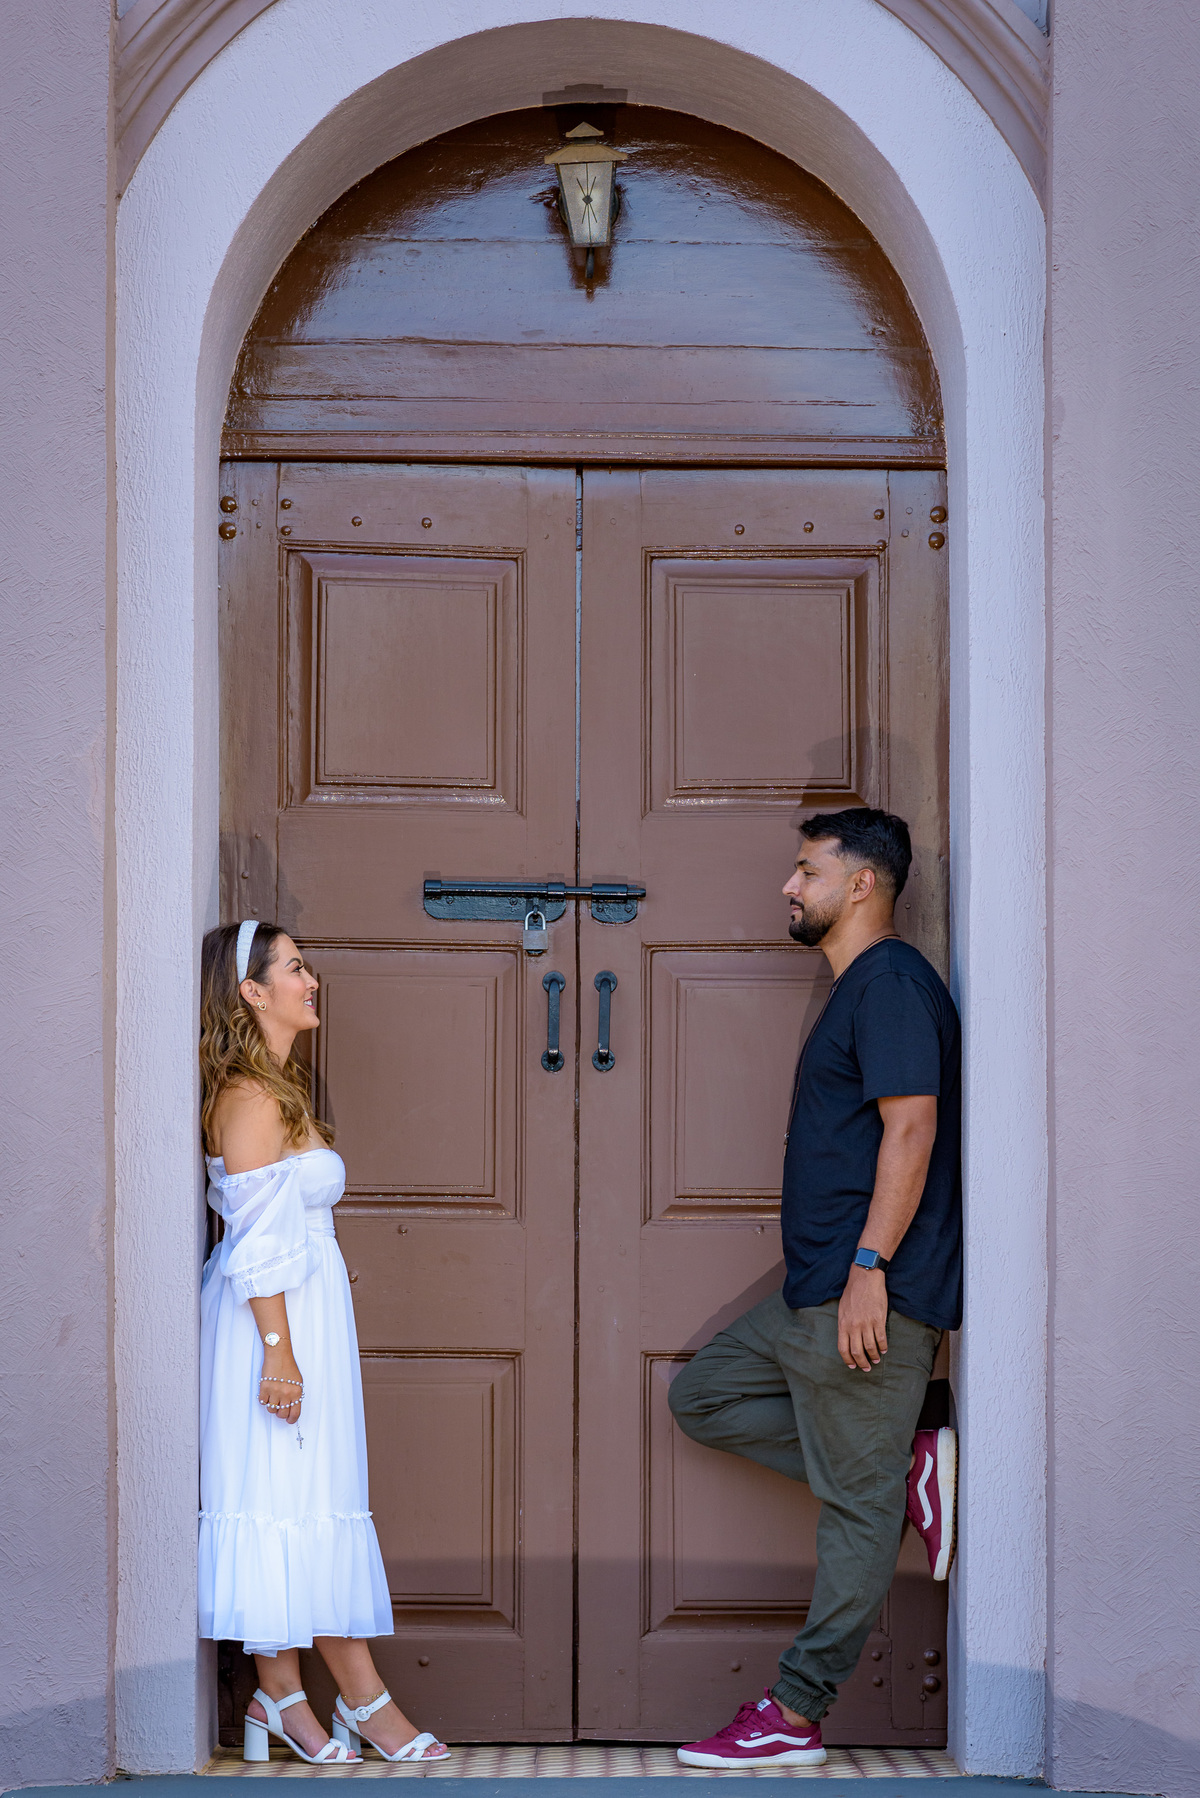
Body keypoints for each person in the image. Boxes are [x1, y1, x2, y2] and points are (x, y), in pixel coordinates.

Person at [670, 810, 960, 1769]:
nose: (790, 888)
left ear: (863, 883)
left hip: (864, 1298)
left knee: (856, 1511)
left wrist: (871, 1270)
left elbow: (911, 1131)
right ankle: (902, 1468)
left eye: (807, 870)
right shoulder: (854, 991)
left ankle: (795, 1711)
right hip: (814, 1294)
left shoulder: (891, 987)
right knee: (702, 1394)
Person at [198, 918, 450, 1766]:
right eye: (297, 970)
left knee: (310, 1500)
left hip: (303, 1322)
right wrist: (278, 1348)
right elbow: (255, 1241)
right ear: (252, 992)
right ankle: (326, 1698)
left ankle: (292, 1698)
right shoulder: (249, 1096)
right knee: (277, 1498)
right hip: (271, 1326)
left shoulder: (282, 1088)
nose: (314, 982)